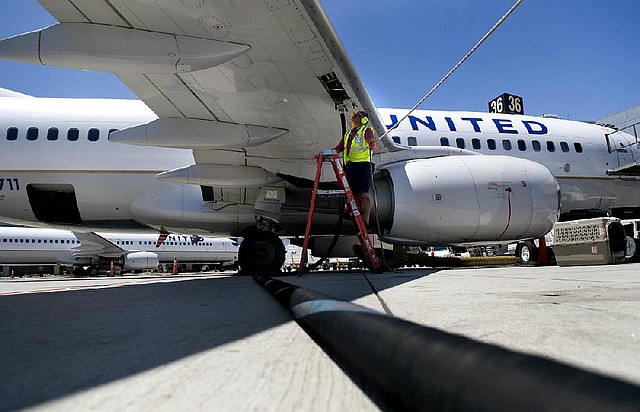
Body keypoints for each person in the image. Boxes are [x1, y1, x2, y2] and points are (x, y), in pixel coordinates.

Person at [335, 111, 377, 228]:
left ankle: (366, 220)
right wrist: (327, 154)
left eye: (357, 115)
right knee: (354, 195)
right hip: (350, 166)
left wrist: (372, 143)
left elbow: (370, 139)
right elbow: (339, 148)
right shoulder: (349, 133)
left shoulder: (366, 130)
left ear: (363, 120)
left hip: (363, 166)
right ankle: (358, 219)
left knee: (363, 194)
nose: (354, 117)